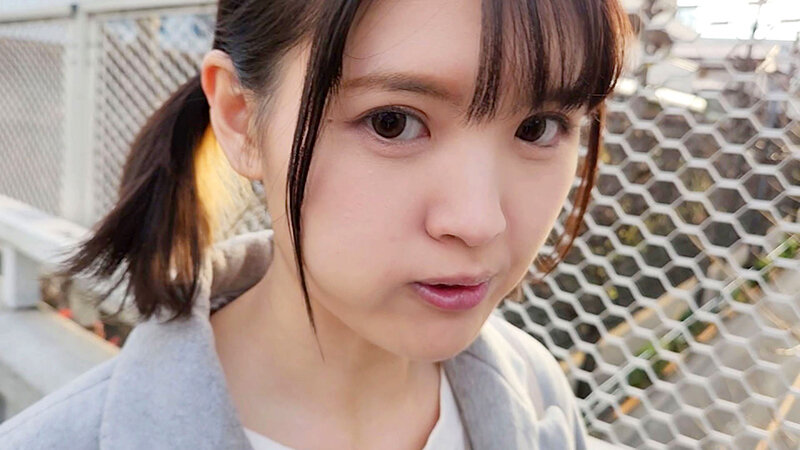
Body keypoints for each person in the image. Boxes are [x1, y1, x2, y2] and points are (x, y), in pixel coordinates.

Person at [0, 0, 630, 448]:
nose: (478, 221)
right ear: (242, 118)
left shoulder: (535, 390)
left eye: (539, 128)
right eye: (392, 122)